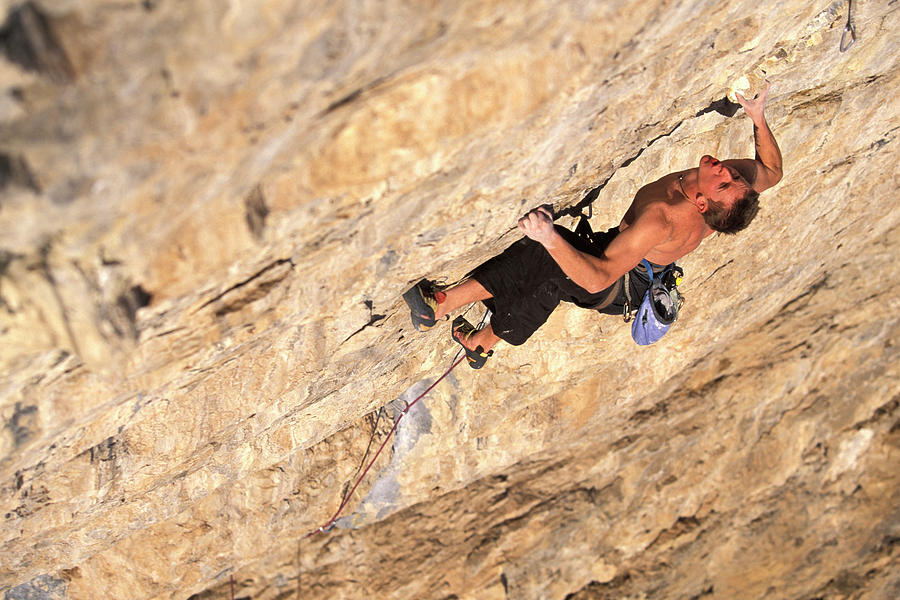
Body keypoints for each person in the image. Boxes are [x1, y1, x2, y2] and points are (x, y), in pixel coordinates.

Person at [403, 82, 783, 368]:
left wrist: (548, 236)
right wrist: (758, 116)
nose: (726, 170)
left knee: (542, 258)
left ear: (701, 203)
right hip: (635, 267)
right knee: (546, 280)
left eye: (723, 181)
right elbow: (772, 172)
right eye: (734, 176)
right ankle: (481, 343)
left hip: (614, 284)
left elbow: (597, 278)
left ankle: (438, 307)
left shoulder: (663, 219)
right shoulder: (727, 200)